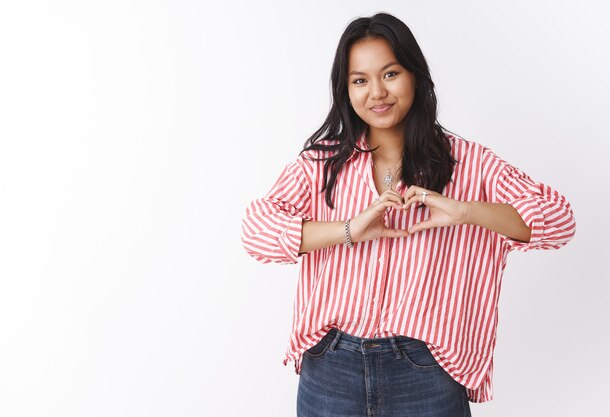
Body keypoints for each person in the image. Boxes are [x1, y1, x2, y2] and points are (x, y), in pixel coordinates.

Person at [240, 12, 576, 417]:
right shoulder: (321, 164)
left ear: (415, 75)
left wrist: (466, 211)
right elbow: (256, 232)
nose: (377, 93)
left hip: (427, 371)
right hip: (331, 367)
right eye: (360, 80)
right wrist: (349, 230)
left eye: (391, 73)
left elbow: (558, 220)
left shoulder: (469, 163)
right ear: (346, 90)